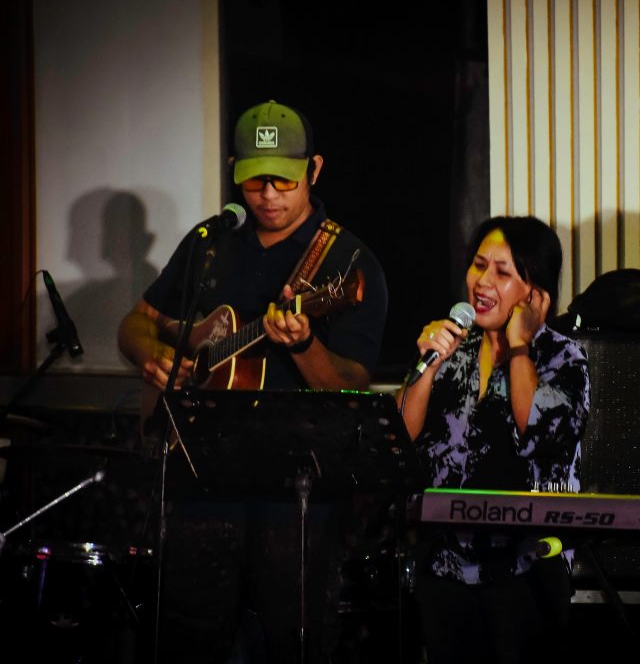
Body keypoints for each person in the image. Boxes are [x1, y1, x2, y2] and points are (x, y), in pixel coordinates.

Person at [117, 100, 387, 663]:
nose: (267, 195)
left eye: (283, 181)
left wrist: (304, 345)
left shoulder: (347, 261)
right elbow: (137, 322)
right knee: (188, 639)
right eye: (254, 180)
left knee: (289, 644)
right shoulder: (210, 242)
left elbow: (352, 385)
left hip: (296, 495)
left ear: (314, 169)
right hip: (199, 483)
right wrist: (154, 355)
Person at [397, 216, 590, 664]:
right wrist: (429, 364)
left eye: (502, 272)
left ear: (535, 292)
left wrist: (519, 346)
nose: (482, 282)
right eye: (479, 265)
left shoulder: (563, 356)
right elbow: (400, 438)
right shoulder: (454, 349)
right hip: (443, 565)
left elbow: (536, 433)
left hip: (525, 568)